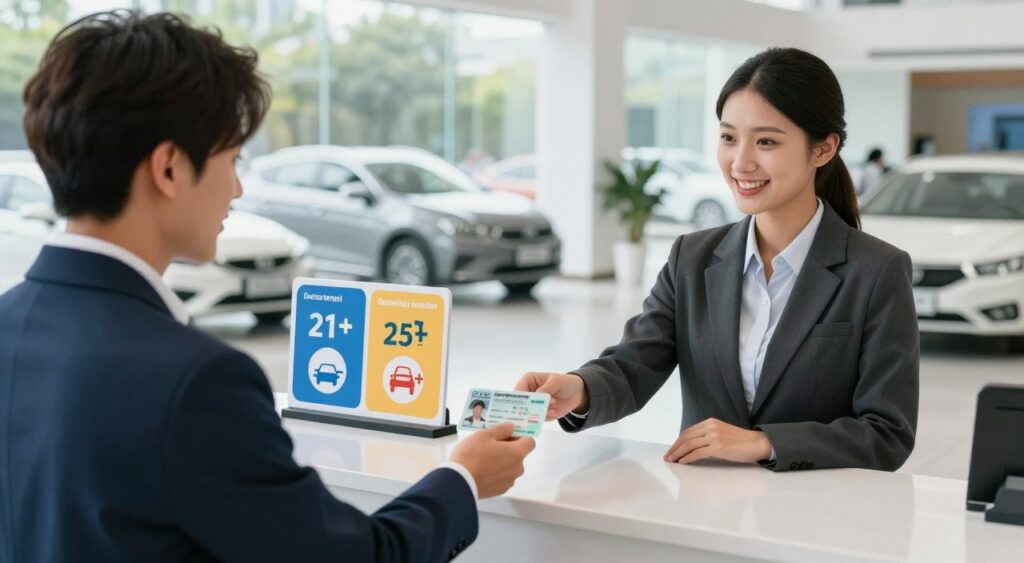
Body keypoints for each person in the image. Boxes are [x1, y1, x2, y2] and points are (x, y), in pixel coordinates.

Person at [0, 11, 534, 563]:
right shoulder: (197, 383)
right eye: (231, 159)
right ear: (168, 169)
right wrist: (463, 479)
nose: (235, 189)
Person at [516, 47, 919, 472]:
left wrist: (766, 443)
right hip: (704, 507)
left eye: (766, 141)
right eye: (729, 137)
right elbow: (633, 364)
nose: (740, 162)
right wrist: (577, 388)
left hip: (812, 516)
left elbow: (887, 433)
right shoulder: (692, 257)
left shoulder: (877, 271)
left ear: (823, 149)